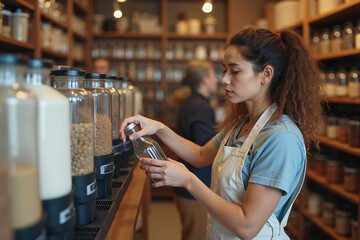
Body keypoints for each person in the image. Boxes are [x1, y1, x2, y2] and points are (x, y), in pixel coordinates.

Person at [119, 27, 323, 239]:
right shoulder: (241, 125)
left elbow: (247, 226)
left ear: (266, 75)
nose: (224, 79)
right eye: (224, 70)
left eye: (234, 71)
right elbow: (200, 156)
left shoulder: (281, 138)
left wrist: (188, 180)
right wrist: (159, 128)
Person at [172, 60, 218, 240]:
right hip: (195, 186)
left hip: (189, 185)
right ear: (205, 80)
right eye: (214, 76)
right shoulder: (200, 107)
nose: (218, 81)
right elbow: (204, 146)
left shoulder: (191, 103)